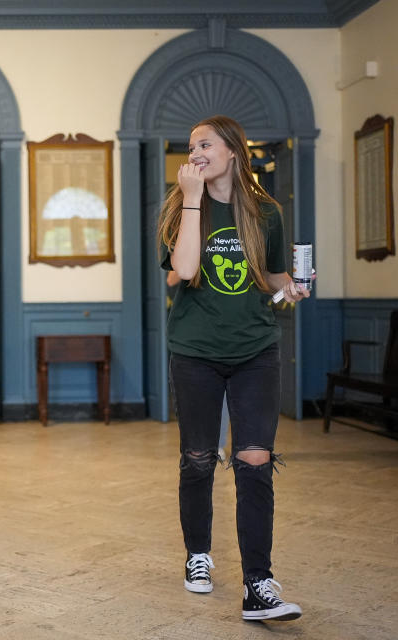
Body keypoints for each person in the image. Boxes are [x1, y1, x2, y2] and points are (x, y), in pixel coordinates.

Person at [158, 115, 310, 622]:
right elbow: (184, 271)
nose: (194, 152)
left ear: (232, 151)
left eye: (204, 143)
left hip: (255, 350)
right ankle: (198, 555)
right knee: (199, 458)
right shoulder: (180, 206)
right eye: (189, 146)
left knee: (255, 461)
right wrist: (195, 197)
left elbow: (268, 274)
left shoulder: (265, 211)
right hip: (196, 351)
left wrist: (290, 286)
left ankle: (258, 584)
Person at [166, 270, 230, 462]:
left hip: (227, 328)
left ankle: (218, 444)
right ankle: (199, 445)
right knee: (197, 394)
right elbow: (171, 279)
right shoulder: (190, 246)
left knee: (224, 393)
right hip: (196, 333)